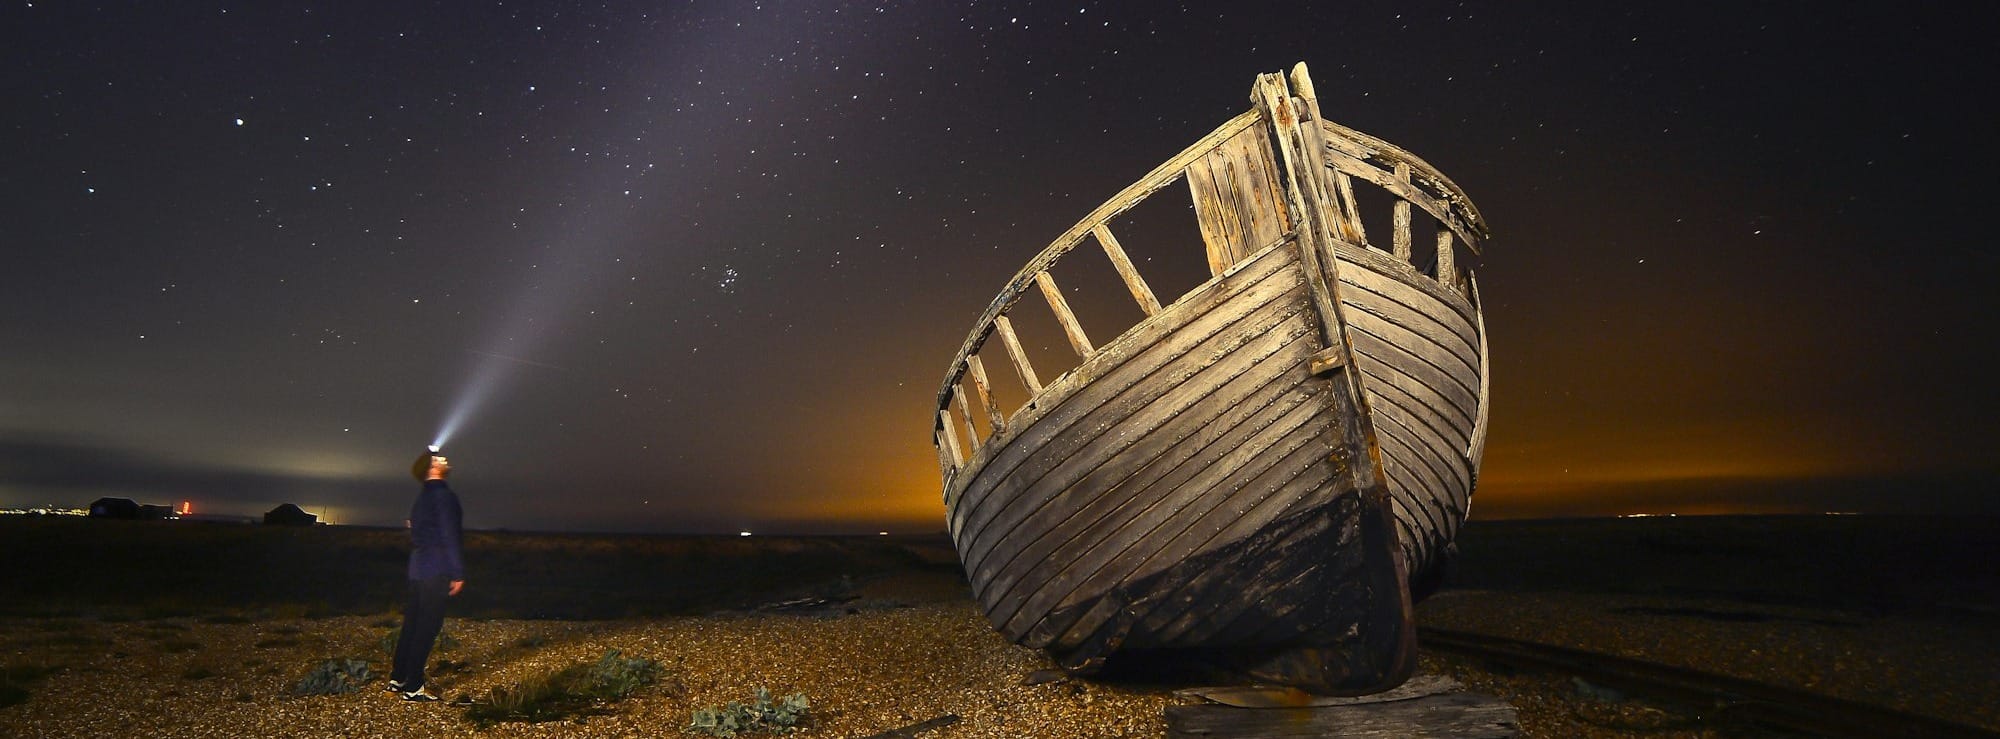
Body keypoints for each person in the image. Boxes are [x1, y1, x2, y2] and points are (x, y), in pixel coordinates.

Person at [387, 448, 464, 702]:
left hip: (418, 567)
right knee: (427, 626)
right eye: (438, 458)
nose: (444, 459)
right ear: (430, 467)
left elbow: (416, 530)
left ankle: (398, 678)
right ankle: (413, 687)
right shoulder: (444, 497)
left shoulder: (421, 499)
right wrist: (457, 572)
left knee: (412, 623)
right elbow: (449, 536)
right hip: (437, 567)